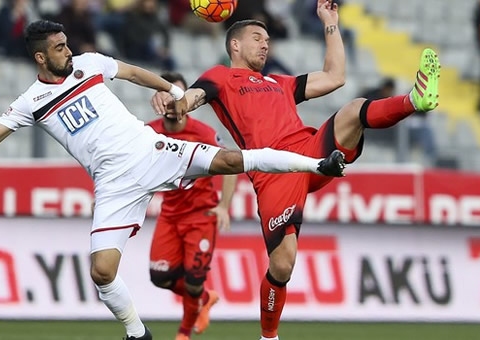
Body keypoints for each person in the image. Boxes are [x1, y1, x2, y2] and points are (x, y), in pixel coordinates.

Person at [0, 20, 346, 340]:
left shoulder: (88, 64)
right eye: (58, 48)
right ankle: (137, 334)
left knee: (231, 161)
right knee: (102, 271)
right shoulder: (29, 102)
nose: (68, 51)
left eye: (66, 43)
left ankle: (316, 165)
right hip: (113, 186)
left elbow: (132, 73)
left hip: (151, 151)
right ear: (40, 58)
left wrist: (171, 90)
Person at [150, 1, 441, 339]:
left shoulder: (279, 83)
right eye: (258, 38)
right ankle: (268, 336)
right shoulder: (222, 77)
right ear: (235, 45)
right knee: (282, 265)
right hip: (273, 171)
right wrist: (176, 101)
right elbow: (195, 96)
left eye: (268, 41)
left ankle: (414, 100)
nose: (265, 44)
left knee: (354, 109)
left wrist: (330, 22)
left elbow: (335, 77)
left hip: (311, 153)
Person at [146, 72, 236, 340]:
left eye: (179, 95)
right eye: (168, 95)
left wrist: (223, 206)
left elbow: (231, 166)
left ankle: (184, 333)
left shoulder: (202, 133)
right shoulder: (148, 132)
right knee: (159, 276)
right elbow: (129, 168)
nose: (174, 102)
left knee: (194, 281)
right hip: (170, 216)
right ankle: (206, 298)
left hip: (200, 215)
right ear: (158, 99)